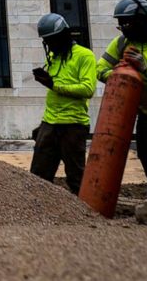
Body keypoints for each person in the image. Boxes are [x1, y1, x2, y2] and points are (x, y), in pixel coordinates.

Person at [30, 13, 97, 194]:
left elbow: (87, 89)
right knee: (38, 175)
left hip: (73, 124)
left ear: (63, 35)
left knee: (76, 175)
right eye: (46, 41)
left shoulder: (85, 56)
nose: (50, 45)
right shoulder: (54, 56)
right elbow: (54, 87)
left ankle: (83, 213)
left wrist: (54, 85)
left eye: (52, 40)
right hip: (50, 122)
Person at [97, 0, 147, 181]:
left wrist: (145, 69)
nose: (124, 30)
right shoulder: (121, 44)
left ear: (142, 21)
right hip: (146, 114)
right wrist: (122, 77)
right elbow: (100, 69)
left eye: (127, 24)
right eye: (121, 25)